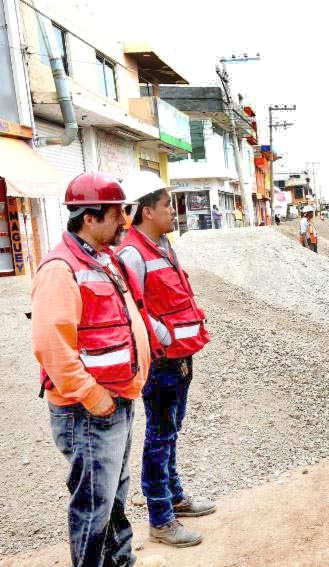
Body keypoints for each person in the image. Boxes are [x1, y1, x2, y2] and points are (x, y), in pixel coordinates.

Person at [31, 172, 166, 567]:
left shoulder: (102, 259)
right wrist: (95, 397)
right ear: (89, 218)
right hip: (89, 410)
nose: (125, 222)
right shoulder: (61, 269)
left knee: (113, 497)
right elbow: (50, 347)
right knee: (93, 504)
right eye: (115, 214)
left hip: (115, 401)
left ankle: (119, 562)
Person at [118, 171, 215, 548]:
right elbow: (134, 309)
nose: (172, 212)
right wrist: (164, 339)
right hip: (161, 362)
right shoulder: (132, 253)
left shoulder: (163, 245)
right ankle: (160, 519)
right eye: (165, 206)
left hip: (180, 356)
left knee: (170, 431)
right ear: (145, 211)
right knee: (159, 437)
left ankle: (175, 497)